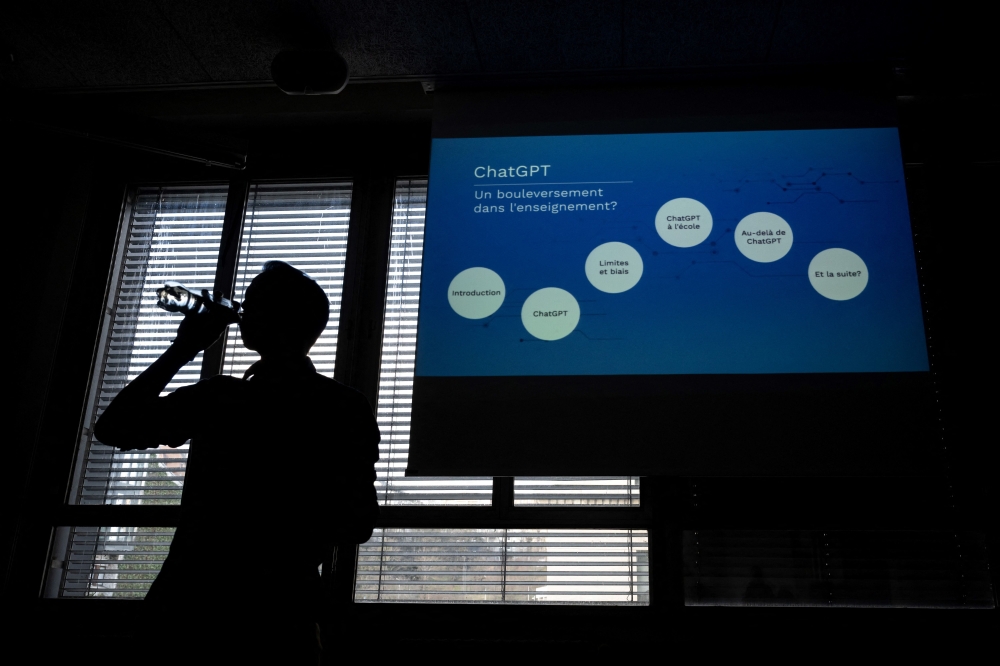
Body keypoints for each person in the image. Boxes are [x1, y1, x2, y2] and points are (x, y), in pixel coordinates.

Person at [95, 261, 380, 663]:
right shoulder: (344, 407)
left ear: (275, 320)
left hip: (188, 605)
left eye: (253, 304)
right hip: (283, 613)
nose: (242, 312)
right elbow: (358, 522)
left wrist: (183, 349)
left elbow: (114, 428)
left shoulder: (221, 399)